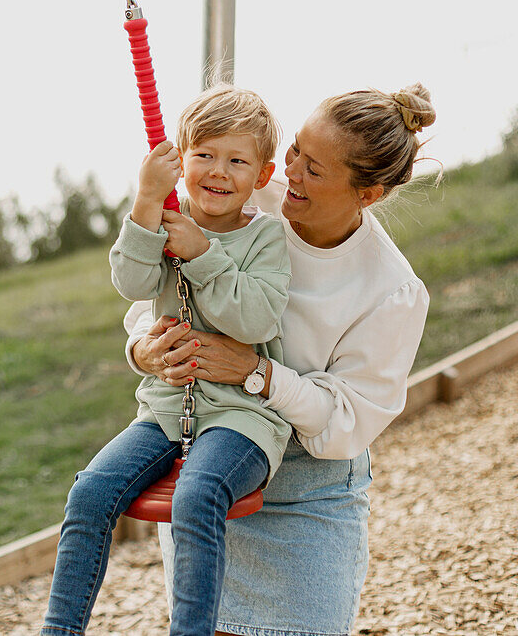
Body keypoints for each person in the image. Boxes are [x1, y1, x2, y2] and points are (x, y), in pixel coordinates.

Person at [125, 84, 435, 636]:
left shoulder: (391, 290)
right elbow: (160, 290)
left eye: (314, 169)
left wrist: (258, 373)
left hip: (306, 491)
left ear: (369, 193)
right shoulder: (246, 197)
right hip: (209, 467)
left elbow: (345, 424)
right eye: (295, 150)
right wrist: (144, 348)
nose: (290, 172)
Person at [42, 84, 293, 636]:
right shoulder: (162, 221)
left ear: (263, 173)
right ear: (180, 161)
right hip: (164, 412)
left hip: (241, 417)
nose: (218, 171)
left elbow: (255, 321)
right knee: (89, 492)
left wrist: (202, 254)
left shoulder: (267, 239)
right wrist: (146, 205)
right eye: (203, 154)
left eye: (236, 160)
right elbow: (131, 282)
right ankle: (59, 631)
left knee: (198, 495)